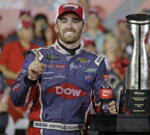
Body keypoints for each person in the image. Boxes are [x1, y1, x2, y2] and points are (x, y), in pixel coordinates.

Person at [10, 3, 116, 135]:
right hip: (41, 130)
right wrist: (29, 79)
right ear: (56, 26)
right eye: (64, 21)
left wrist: (108, 108)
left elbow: (102, 106)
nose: (69, 26)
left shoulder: (96, 62)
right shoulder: (38, 56)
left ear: (84, 27)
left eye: (75, 21)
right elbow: (17, 100)